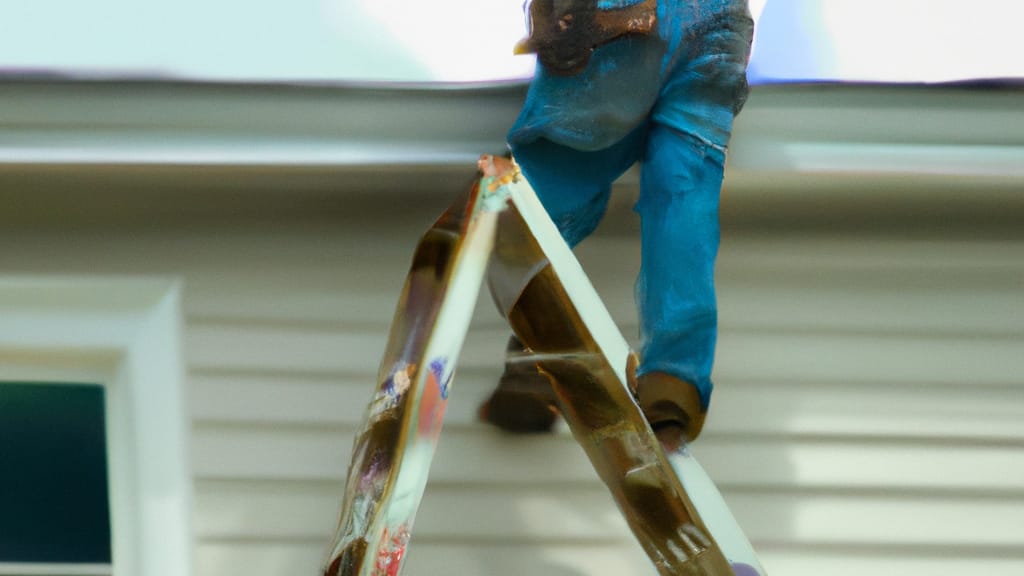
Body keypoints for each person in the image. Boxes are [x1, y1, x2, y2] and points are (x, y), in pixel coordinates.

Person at [479, 0, 755, 447]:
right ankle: (673, 383)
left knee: (547, 187)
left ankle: (540, 348)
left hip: (619, 16)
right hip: (719, 23)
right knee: (682, 190)